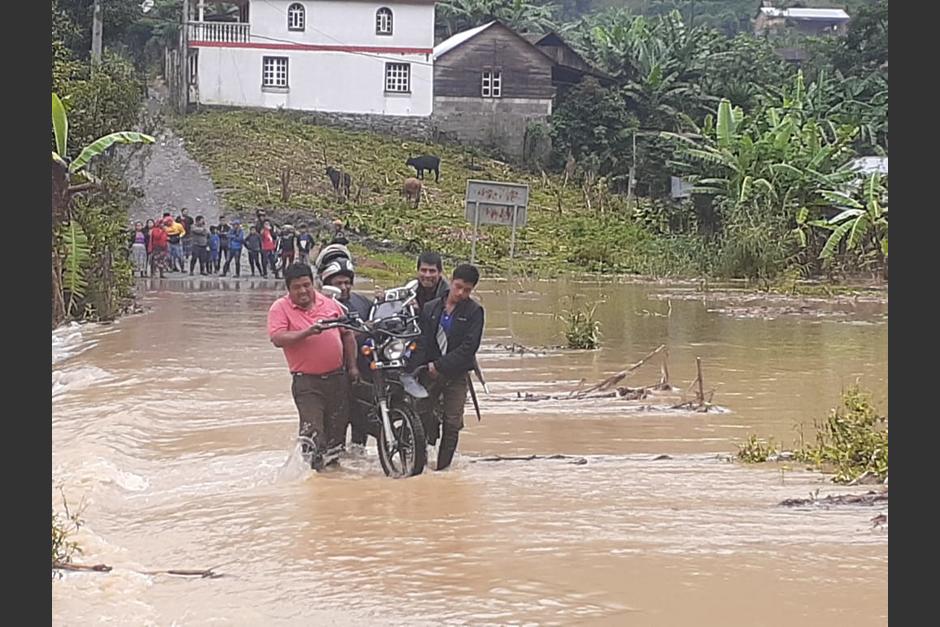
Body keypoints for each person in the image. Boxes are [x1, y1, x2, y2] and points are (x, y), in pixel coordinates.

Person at [267, 262, 360, 470]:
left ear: (314, 284)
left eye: (306, 285)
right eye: (297, 287)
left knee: (337, 434)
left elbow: (348, 335)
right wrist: (307, 332)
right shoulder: (279, 308)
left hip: (337, 378)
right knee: (312, 433)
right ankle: (311, 476)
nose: (303, 291)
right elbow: (278, 338)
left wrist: (353, 367)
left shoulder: (329, 304)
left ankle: (332, 479)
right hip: (307, 383)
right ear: (288, 289)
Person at [411, 264, 484, 471]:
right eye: (458, 287)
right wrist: (417, 369)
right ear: (451, 281)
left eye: (467, 290)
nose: (461, 293)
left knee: (452, 423)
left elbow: (469, 348)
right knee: (422, 416)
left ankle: (443, 469)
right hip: (429, 373)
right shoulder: (431, 308)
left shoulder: (474, 312)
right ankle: (419, 463)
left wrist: (440, 366)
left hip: (456, 375)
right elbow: (423, 341)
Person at [319, 256, 375, 451]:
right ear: (328, 285)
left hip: (362, 371)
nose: (344, 287)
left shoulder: (363, 302)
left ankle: (357, 459)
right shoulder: (320, 307)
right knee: (336, 423)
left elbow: (376, 324)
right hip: (332, 374)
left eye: (347, 282)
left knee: (361, 420)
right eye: (338, 283)